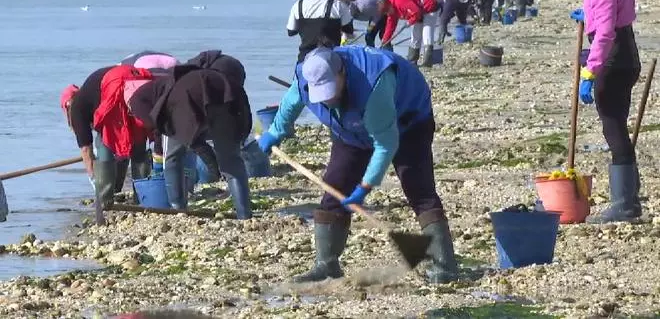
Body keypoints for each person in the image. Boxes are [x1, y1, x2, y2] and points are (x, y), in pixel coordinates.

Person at [257, 45, 458, 284]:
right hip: (350, 132)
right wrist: (275, 132)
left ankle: (444, 267)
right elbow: (291, 102)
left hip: (408, 122)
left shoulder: (374, 83)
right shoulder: (306, 76)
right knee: (335, 187)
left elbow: (385, 144)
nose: (328, 98)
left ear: (342, 73)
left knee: (418, 188)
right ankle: (326, 264)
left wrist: (365, 186)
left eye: (330, 90)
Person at [127, 55, 254, 220]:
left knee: (173, 157)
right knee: (232, 162)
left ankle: (178, 209)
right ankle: (244, 215)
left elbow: (163, 131)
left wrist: (202, 151)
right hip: (226, 92)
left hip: (189, 97)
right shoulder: (174, 81)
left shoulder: (140, 100)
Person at [573, 0, 641, 223]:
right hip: (628, 57)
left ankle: (624, 204)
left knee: (613, 127)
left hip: (613, 61)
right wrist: (587, 15)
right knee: (619, 125)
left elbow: (604, 34)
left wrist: (590, 71)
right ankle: (631, 197)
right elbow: (617, 13)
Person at [66, 66, 155, 224]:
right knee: (138, 137)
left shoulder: (77, 109)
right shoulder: (88, 92)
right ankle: (143, 198)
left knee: (106, 141)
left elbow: (86, 151)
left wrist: (94, 179)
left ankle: (105, 202)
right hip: (139, 79)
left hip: (116, 85)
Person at [287, 0, 354, 63]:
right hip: (330, 61)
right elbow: (349, 30)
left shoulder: (297, 5)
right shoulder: (338, 5)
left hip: (304, 61)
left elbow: (291, 32)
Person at [378, 0, 440, 66]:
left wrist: (409, 22)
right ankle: (412, 61)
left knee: (427, 34)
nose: (388, 14)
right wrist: (384, 40)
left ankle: (428, 62)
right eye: (386, 13)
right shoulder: (392, 11)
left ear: (390, 6)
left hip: (430, 8)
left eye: (387, 12)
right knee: (415, 36)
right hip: (419, 14)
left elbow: (417, 12)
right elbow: (390, 27)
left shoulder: (400, 1)